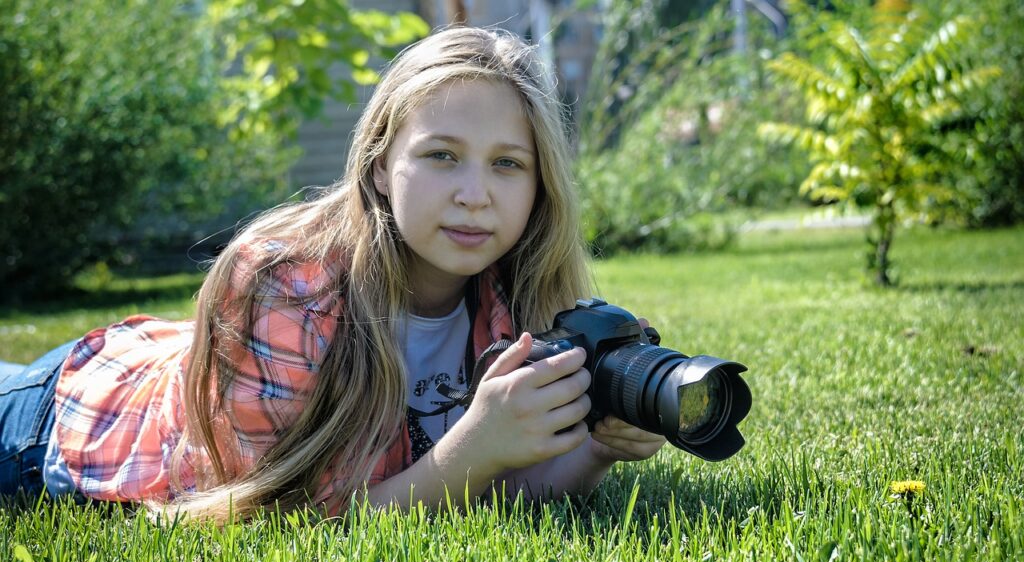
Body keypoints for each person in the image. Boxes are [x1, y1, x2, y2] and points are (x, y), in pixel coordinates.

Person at [0, 27, 665, 522]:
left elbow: (487, 494)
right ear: (380, 165)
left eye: (507, 164)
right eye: (442, 156)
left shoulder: (520, 294)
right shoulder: (285, 290)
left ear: (540, 185)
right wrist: (473, 447)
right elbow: (272, 521)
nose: (475, 194)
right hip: (58, 423)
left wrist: (595, 451)